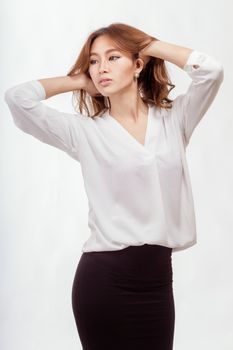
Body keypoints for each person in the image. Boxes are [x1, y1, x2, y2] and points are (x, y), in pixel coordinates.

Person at [4, 22, 224, 350]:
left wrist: (146, 44)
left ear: (138, 65)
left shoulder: (173, 120)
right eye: (94, 61)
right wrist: (78, 81)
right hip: (104, 281)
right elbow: (18, 99)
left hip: (158, 283)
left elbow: (211, 71)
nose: (101, 68)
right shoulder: (85, 132)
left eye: (113, 57)